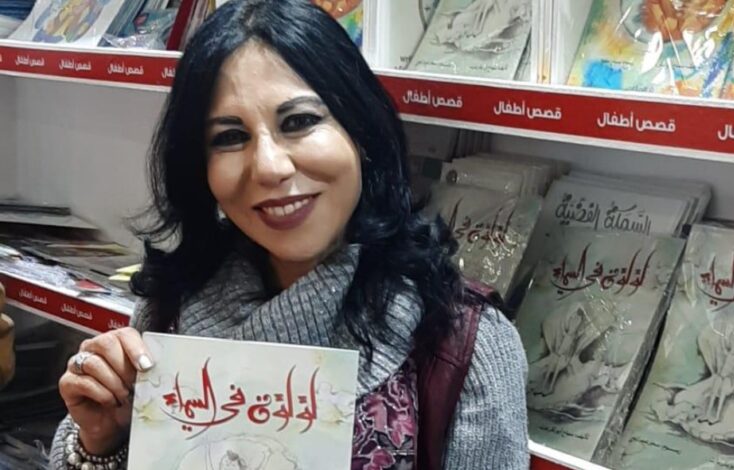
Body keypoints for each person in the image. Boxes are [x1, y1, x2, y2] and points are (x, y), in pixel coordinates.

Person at [49, 1, 529, 468]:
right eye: (229, 137)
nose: (269, 167)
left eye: (299, 122)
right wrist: (100, 442)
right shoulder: (169, 310)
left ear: (361, 131)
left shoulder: (461, 343)